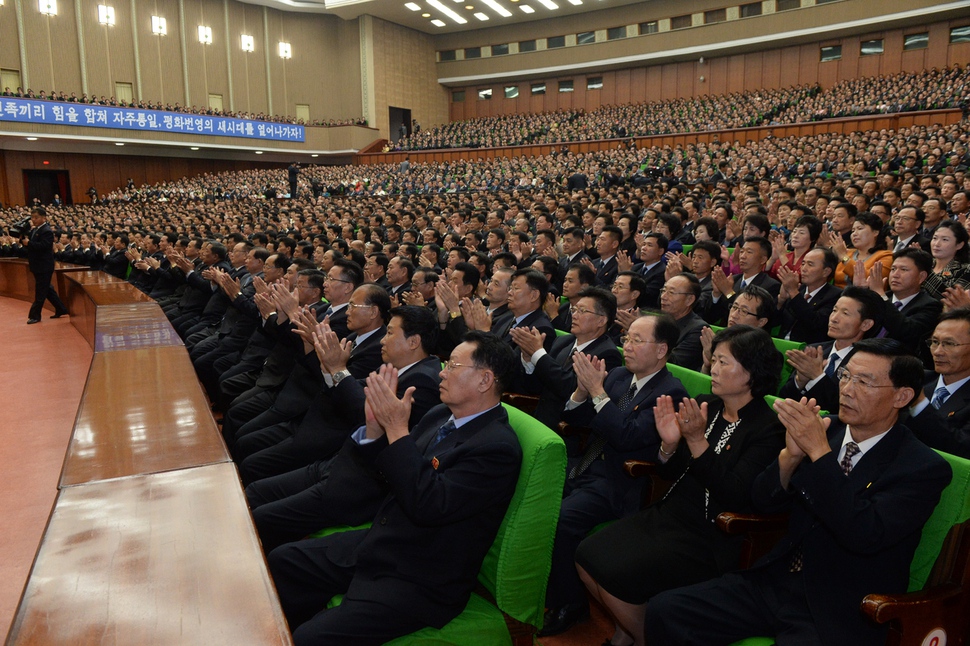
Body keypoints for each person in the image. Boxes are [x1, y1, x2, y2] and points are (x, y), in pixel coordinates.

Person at [646, 338, 952, 646]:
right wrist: (789, 459)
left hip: (841, 602)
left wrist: (819, 453)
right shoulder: (827, 429)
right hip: (778, 578)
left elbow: (864, 533)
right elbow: (763, 502)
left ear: (902, 396)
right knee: (667, 610)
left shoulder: (921, 467)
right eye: (845, 376)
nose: (846, 389)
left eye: (864, 382)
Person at [268, 331, 522, 645]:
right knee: (284, 561)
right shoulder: (442, 413)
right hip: (386, 541)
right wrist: (376, 430)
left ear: (485, 380)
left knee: (312, 638)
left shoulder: (497, 448)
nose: (441, 372)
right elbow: (392, 473)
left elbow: (429, 504)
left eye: (453, 366)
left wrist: (398, 431)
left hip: (422, 575)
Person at [575, 325, 785, 646]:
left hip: (711, 535)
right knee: (586, 554)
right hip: (669, 515)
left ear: (752, 372)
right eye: (713, 360)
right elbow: (671, 471)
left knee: (617, 572)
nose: (712, 370)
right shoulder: (706, 405)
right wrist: (669, 447)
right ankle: (638, 633)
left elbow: (735, 494)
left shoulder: (767, 429)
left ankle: (638, 636)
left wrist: (698, 441)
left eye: (723, 363)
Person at [538, 313, 689, 638]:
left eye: (637, 340)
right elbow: (577, 419)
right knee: (533, 492)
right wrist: (582, 392)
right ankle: (537, 587)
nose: (627, 346)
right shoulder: (620, 375)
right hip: (587, 466)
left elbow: (628, 437)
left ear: (661, 350)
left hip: (621, 482)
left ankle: (571, 604)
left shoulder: (671, 393)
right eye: (626, 339)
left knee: (563, 520)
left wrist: (597, 392)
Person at [907, 308, 970, 458]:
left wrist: (919, 404)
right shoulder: (919, 380)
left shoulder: (916, 392)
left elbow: (962, 448)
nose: (937, 351)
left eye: (949, 344)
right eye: (935, 342)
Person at [23, 206, 68, 324]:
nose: (33, 220)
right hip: (37, 264)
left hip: (44, 265)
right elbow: (31, 246)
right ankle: (61, 308)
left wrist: (30, 243)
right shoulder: (35, 230)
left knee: (41, 291)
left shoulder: (47, 231)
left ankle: (35, 315)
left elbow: (44, 246)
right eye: (32, 217)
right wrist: (24, 241)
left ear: (44, 218)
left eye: (36, 217)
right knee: (47, 289)